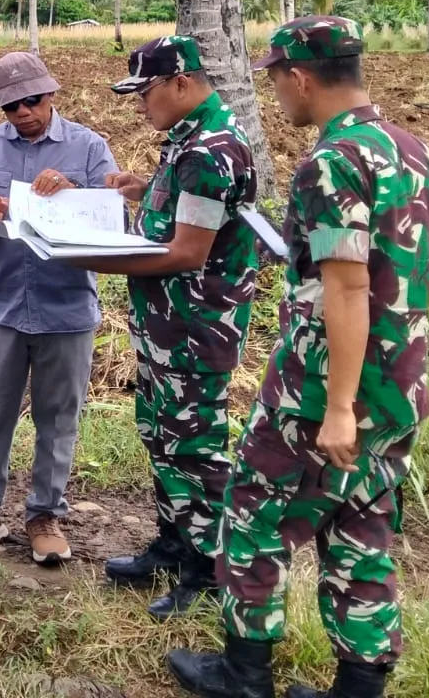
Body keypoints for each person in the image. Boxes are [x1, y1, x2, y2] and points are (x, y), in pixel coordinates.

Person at [167, 17, 429, 698]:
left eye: (276, 80)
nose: (277, 95)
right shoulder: (414, 151)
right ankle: (359, 687)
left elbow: (348, 284)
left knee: (252, 512)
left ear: (299, 77)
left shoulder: (332, 162)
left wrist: (335, 409)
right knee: (363, 526)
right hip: (401, 384)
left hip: (324, 389)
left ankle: (245, 673)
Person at [75, 36, 261, 619]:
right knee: (161, 434)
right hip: (167, 326)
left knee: (196, 447)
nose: (139, 105)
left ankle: (207, 569)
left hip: (193, 330)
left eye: (145, 92)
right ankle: (175, 542)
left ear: (181, 83)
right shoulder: (187, 143)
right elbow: (183, 213)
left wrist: (86, 256)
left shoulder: (210, 150)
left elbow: (185, 253)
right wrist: (142, 189)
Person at [0, 51, 118, 566]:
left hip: (66, 309)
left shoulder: (88, 148)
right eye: (11, 106)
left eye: (32, 100)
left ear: (51, 94)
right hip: (1, 306)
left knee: (58, 416)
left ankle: (45, 514)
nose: (23, 112)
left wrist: (74, 193)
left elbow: (113, 220)